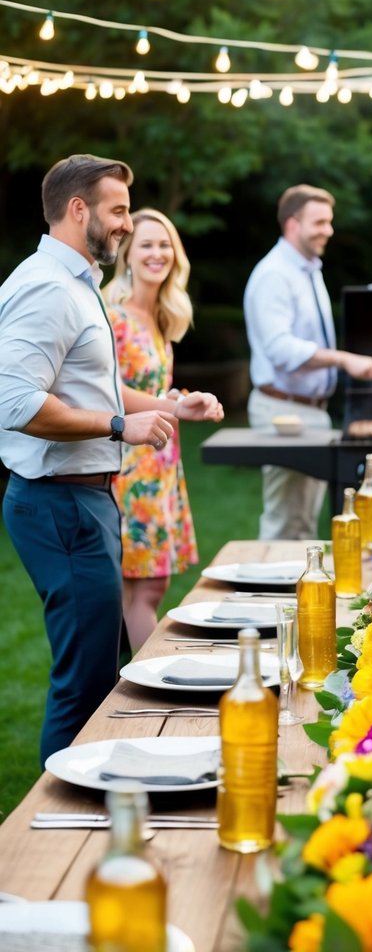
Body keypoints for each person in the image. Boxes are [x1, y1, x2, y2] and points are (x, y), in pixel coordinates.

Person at [0, 154, 223, 765]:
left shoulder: (78, 284)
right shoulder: (47, 288)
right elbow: (16, 403)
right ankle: (57, 834)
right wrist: (122, 427)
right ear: (79, 210)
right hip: (59, 503)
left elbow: (96, 389)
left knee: (98, 671)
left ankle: (93, 809)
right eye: (118, 210)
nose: (125, 224)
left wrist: (172, 408)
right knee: (85, 684)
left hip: (86, 499)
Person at [244, 184, 372, 539]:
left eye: (329, 222)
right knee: (284, 523)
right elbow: (281, 349)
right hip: (284, 411)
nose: (329, 230)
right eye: (320, 222)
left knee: (303, 525)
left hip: (310, 412)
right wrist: (343, 360)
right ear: (293, 223)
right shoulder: (275, 274)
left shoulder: (308, 270)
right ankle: (264, 596)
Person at [104, 208, 207, 650]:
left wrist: (182, 400)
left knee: (150, 587)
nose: (157, 253)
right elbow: (106, 389)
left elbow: (151, 387)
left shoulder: (160, 317)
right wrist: (173, 406)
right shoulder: (115, 316)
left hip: (160, 463)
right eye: (146, 244)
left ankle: (127, 690)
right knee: (142, 591)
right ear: (127, 253)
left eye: (164, 244)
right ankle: (148, 692)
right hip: (130, 466)